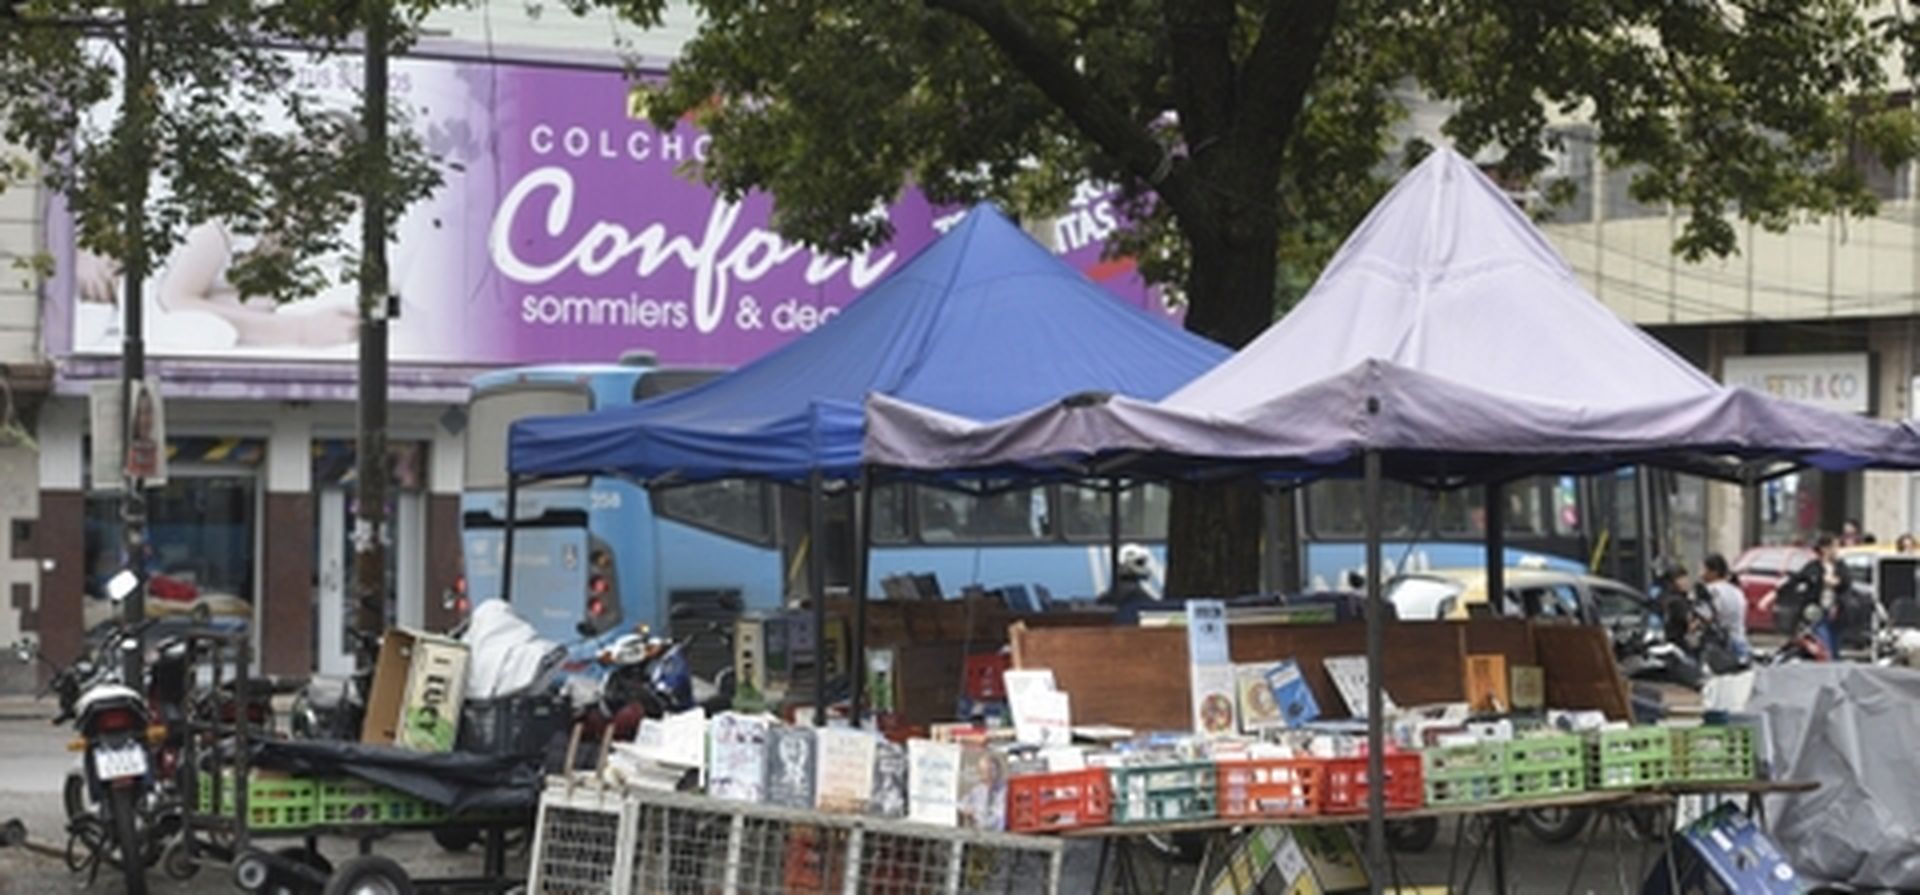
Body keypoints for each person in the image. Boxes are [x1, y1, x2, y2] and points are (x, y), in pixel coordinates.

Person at [1770, 534, 1851, 657]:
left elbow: (1847, 582)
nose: (1836, 550)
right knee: (1824, 643)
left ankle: (1834, 668)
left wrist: (1837, 582)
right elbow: (1795, 580)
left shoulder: (1840, 566)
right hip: (1818, 612)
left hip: (1836, 613)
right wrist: (1774, 594)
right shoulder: (1813, 567)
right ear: (1825, 549)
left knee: (1835, 646)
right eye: (1834, 546)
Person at [1698, 553, 1751, 664]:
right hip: (1741, 643)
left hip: (1722, 647)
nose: (1700, 574)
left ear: (1714, 572)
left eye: (1703, 569)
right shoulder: (1737, 591)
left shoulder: (1711, 591)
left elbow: (1706, 617)